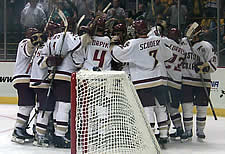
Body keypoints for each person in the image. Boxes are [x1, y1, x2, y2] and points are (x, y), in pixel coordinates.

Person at [111, 20, 173, 145]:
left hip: (143, 81)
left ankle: (148, 138)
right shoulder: (158, 40)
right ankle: (164, 135)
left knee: (148, 108)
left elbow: (118, 56)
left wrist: (114, 44)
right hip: (160, 80)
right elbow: (169, 55)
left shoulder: (133, 43)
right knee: (161, 107)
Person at [39, 18, 82, 148]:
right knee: (64, 106)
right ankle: (59, 135)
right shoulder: (67, 36)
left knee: (59, 106)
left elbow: (43, 58)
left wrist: (51, 61)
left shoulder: (51, 39)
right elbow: (78, 48)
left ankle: (57, 134)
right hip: (66, 76)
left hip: (55, 76)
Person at [180, 22, 218, 142]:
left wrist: (203, 67)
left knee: (201, 107)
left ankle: (200, 130)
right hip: (186, 79)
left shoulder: (206, 46)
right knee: (187, 107)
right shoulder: (183, 43)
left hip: (203, 81)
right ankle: (188, 130)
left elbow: (214, 64)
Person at [11, 28, 45, 144]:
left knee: (32, 105)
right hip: (23, 77)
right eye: (32, 34)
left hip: (31, 78)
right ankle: (18, 129)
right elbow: (27, 51)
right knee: (26, 105)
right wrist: (33, 41)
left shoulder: (39, 47)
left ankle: (24, 128)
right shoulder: (24, 43)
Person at [164, 28, 185, 140]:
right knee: (173, 107)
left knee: (166, 108)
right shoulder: (182, 49)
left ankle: (166, 131)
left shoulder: (166, 42)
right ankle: (179, 128)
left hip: (169, 80)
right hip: (177, 81)